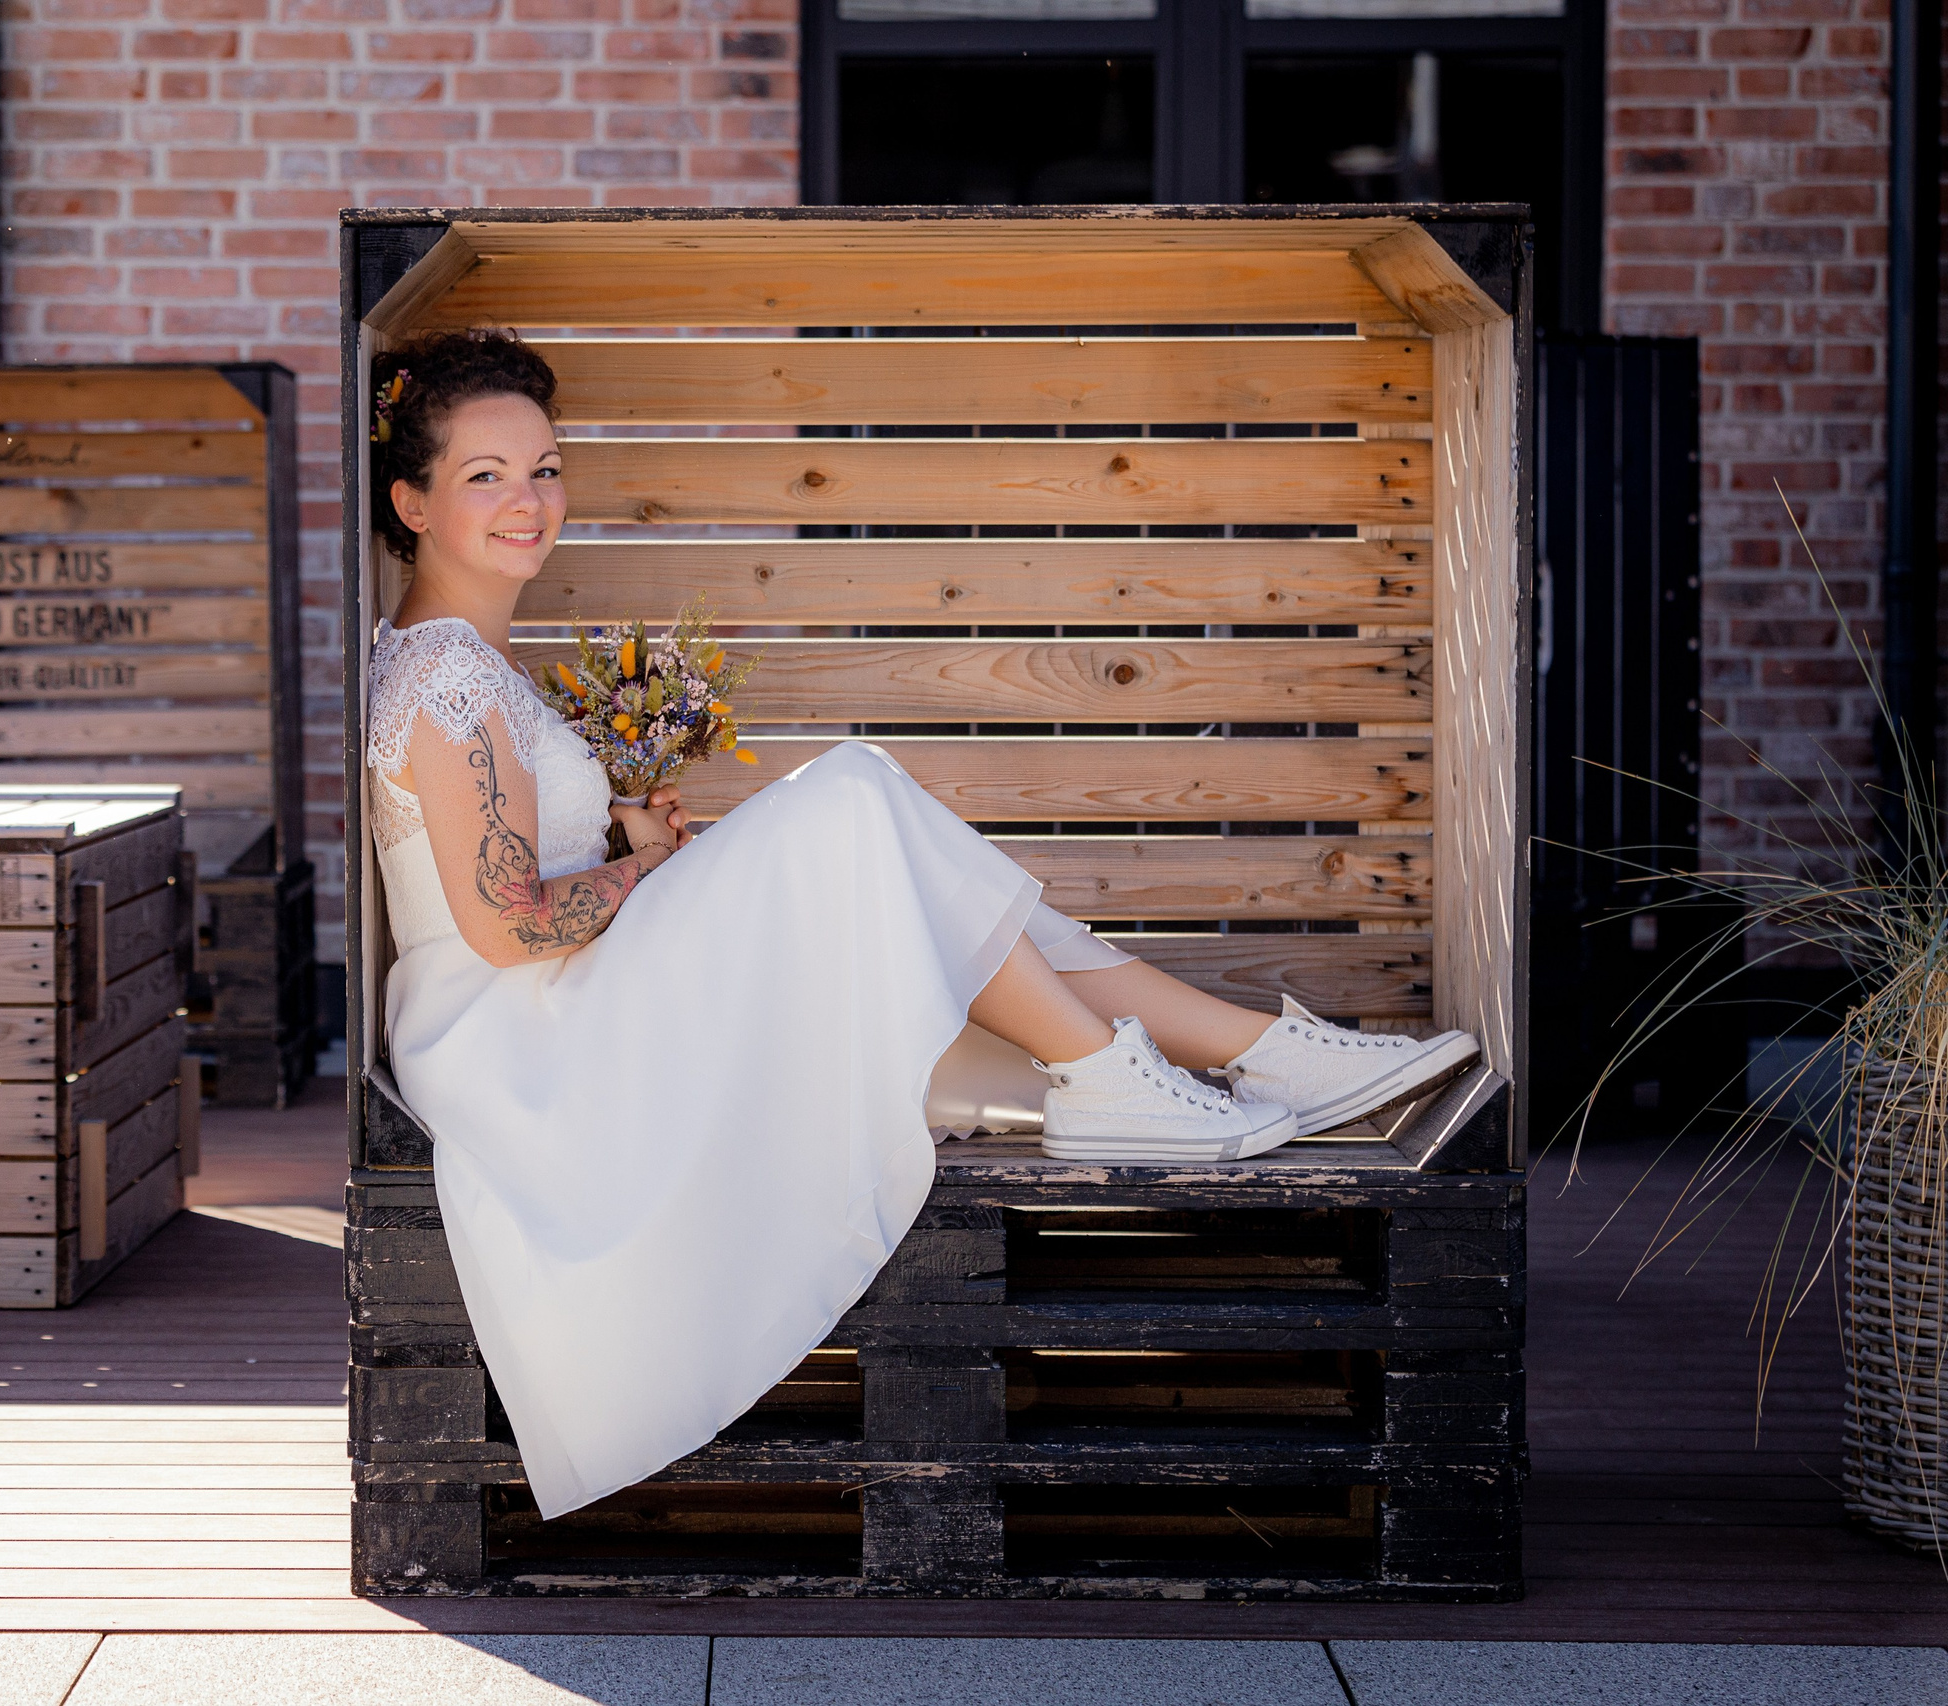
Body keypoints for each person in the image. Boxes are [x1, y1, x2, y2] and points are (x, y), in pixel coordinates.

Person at [362, 328, 1476, 1516]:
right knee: (851, 798)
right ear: (412, 501)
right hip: (534, 1048)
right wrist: (646, 878)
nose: (528, 501)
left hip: (561, 1003)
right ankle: (1179, 1062)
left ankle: (1234, 1055)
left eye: (544, 466)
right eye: (486, 475)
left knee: (899, 858)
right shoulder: (448, 681)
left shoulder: (464, 662)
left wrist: (634, 846)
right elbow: (513, 929)